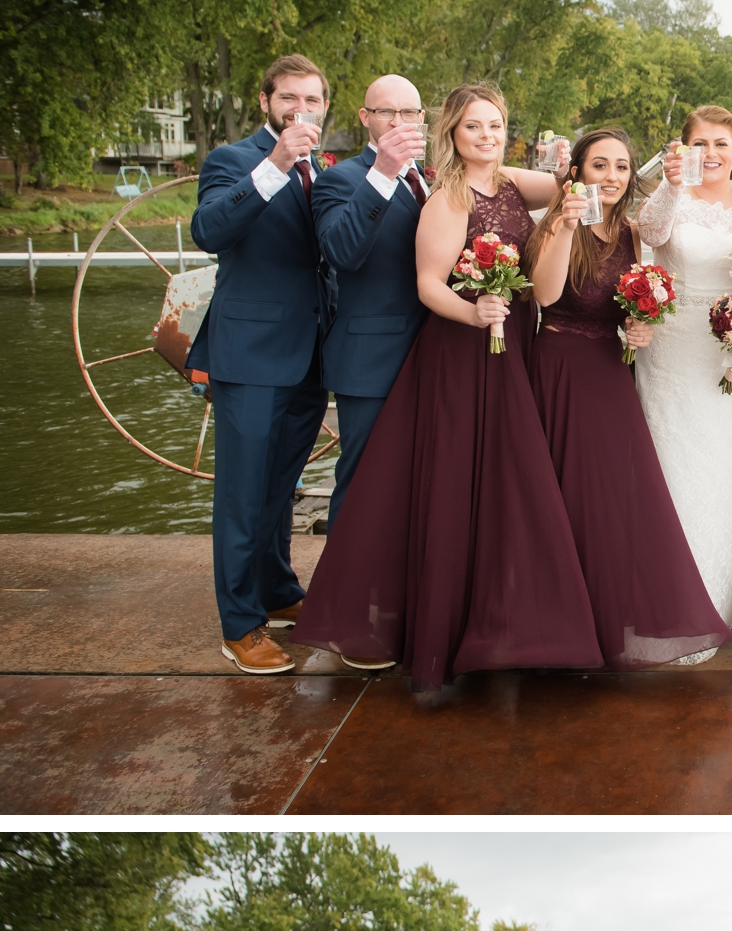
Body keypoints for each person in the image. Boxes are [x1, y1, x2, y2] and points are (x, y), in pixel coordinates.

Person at [293, 83, 602, 690]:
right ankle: (449, 625)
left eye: (495, 125)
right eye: (473, 127)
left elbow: (574, 182)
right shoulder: (448, 196)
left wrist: (595, 168)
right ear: (452, 135)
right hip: (465, 347)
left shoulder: (511, 183)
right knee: (462, 478)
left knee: (509, 479)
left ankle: (509, 615)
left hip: (513, 343)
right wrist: (473, 313)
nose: (486, 136)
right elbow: (429, 285)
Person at [523, 128, 731, 668]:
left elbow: (632, 304)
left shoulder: (633, 234)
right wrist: (567, 224)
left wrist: (640, 327)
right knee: (560, 494)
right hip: (560, 369)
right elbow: (544, 296)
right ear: (578, 173)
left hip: (611, 374)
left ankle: (601, 620)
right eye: (600, 165)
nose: (611, 176)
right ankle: (550, 623)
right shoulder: (554, 226)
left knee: (609, 498)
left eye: (621, 167)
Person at [189, 55, 333, 675]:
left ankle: (276, 590)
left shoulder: (323, 170)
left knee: (281, 487)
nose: (301, 109)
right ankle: (240, 625)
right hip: (249, 356)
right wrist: (273, 165)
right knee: (243, 495)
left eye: (313, 99)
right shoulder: (232, 160)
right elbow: (208, 230)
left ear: (327, 107)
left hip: (310, 355)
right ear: (266, 101)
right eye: (289, 98)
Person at [631, 107, 732, 623]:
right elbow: (649, 229)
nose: (710, 154)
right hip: (673, 346)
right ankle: (665, 596)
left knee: (729, 462)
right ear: (682, 149)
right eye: (699, 144)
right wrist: (670, 187)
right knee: (671, 458)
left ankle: (724, 598)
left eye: (720, 144)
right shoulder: (669, 196)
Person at [311, 76, 432, 513]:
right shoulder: (339, 180)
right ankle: (347, 582)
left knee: (422, 483)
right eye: (386, 112)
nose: (397, 122)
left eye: (407, 113)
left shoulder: (436, 182)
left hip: (436, 355)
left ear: (421, 120)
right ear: (365, 118)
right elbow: (342, 253)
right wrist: (382, 171)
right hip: (372, 360)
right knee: (365, 483)